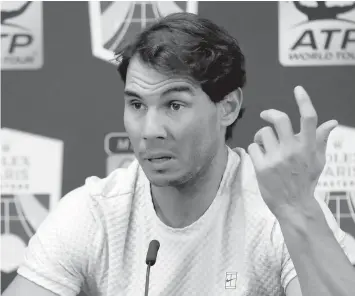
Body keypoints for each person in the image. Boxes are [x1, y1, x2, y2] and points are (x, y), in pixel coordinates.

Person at [3, 12, 355, 296]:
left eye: (174, 104)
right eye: (137, 104)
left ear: (227, 107)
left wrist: (301, 215)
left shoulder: (280, 210)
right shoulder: (95, 214)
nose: (150, 129)